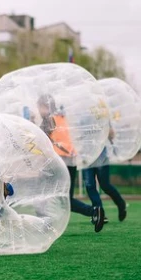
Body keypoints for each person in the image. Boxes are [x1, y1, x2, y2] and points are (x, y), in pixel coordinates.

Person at [36, 94, 105, 232]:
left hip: (57, 162)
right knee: (66, 199)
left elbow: (43, 144)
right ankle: (94, 211)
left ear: (46, 107)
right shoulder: (63, 118)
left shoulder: (47, 121)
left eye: (40, 107)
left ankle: (45, 223)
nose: (39, 110)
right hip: (71, 162)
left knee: (42, 193)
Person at [82, 127, 127, 223]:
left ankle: (121, 204)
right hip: (86, 154)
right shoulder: (80, 116)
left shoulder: (101, 113)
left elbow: (111, 133)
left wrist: (109, 134)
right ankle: (99, 213)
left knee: (105, 185)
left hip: (101, 153)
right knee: (90, 185)